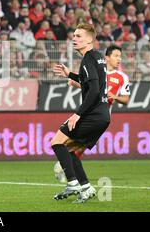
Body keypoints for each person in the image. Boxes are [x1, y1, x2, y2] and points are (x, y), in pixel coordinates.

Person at [52, 23, 110, 203]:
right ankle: (85, 187)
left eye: (78, 36)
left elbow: (92, 90)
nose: (74, 39)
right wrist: (70, 74)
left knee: (57, 142)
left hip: (92, 114)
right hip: (102, 115)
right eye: (74, 35)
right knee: (71, 150)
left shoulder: (87, 59)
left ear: (89, 39)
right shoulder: (97, 57)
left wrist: (78, 114)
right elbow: (90, 82)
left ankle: (73, 183)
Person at [55, 44, 131, 182]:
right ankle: (72, 175)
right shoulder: (98, 70)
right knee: (72, 147)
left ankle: (69, 172)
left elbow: (126, 99)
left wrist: (116, 97)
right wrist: (74, 81)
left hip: (100, 116)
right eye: (116, 56)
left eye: (120, 56)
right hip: (89, 112)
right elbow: (89, 87)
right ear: (107, 58)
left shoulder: (123, 77)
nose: (119, 59)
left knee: (75, 148)